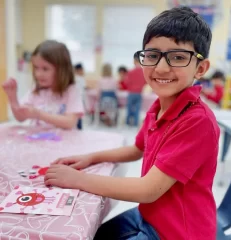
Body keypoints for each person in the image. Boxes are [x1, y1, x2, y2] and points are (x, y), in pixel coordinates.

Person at [45, 7, 219, 240]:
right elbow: (137, 149)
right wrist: (91, 158)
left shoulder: (198, 121)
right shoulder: (158, 106)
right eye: (152, 55)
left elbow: (148, 190)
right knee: (90, 234)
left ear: (200, 68)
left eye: (178, 57)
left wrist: (77, 179)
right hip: (149, 216)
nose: (161, 68)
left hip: (177, 233)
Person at [2, 40, 84, 129]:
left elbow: (69, 123)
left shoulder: (71, 90)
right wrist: (12, 98)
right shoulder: (36, 90)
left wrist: (38, 114)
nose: (38, 74)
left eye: (45, 69)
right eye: (36, 68)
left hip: (64, 141)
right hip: (39, 141)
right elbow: (20, 118)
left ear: (62, 70)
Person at [124, 53, 146, 126]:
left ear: (135, 61)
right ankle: (135, 123)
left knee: (129, 108)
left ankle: (128, 122)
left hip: (131, 93)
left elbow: (126, 82)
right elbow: (145, 82)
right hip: (139, 93)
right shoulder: (143, 72)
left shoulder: (130, 72)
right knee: (137, 109)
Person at [74, 63, 86, 129]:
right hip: (79, 99)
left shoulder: (75, 78)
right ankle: (79, 128)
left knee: (78, 115)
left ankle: (79, 128)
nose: (83, 71)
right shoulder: (80, 78)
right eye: (82, 70)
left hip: (77, 99)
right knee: (79, 116)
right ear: (78, 70)